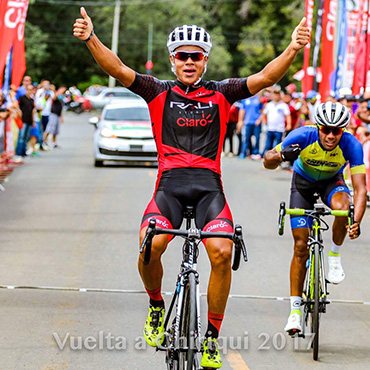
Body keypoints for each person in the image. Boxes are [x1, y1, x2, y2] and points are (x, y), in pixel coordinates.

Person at [73, 8, 309, 368]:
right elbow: (117, 69)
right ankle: (155, 306)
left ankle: (211, 339)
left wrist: (292, 49)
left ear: (204, 61)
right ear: (172, 59)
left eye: (195, 56)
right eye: (181, 55)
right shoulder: (157, 91)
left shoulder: (222, 93)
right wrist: (91, 37)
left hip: (209, 190)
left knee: (221, 253)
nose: (188, 61)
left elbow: (263, 77)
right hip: (170, 186)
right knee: (150, 245)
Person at [263, 102, 367, 336]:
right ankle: (295, 311)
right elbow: (266, 161)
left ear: (344, 130)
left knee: (343, 208)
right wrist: (281, 155)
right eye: (326, 129)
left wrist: (356, 221)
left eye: (337, 131)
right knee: (301, 245)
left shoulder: (352, 145)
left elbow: (361, 188)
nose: (330, 135)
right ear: (317, 126)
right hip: (302, 185)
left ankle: (334, 256)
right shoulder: (302, 135)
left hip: (332, 182)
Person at [260, 88, 291, 157]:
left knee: (277, 146)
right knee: (268, 145)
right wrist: (260, 120)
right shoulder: (269, 105)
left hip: (279, 128)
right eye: (275, 94)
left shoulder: (283, 105)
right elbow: (264, 114)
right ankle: (267, 160)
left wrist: (289, 124)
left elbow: (288, 116)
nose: (276, 96)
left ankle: (276, 161)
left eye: (277, 94)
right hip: (270, 128)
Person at [237, 93, 263, 159]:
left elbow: (263, 111)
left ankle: (255, 153)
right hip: (247, 122)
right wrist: (240, 121)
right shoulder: (245, 99)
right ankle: (244, 153)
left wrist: (259, 120)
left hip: (256, 122)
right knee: (246, 139)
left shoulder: (258, 98)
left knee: (257, 138)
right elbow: (242, 110)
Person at [15, 85, 35, 157]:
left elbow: (33, 111)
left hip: (29, 121)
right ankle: (19, 152)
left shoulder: (32, 100)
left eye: (31, 90)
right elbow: (17, 105)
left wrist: (33, 122)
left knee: (26, 137)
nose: (29, 91)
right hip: (23, 120)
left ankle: (24, 151)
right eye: (28, 90)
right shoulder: (22, 98)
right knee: (21, 137)